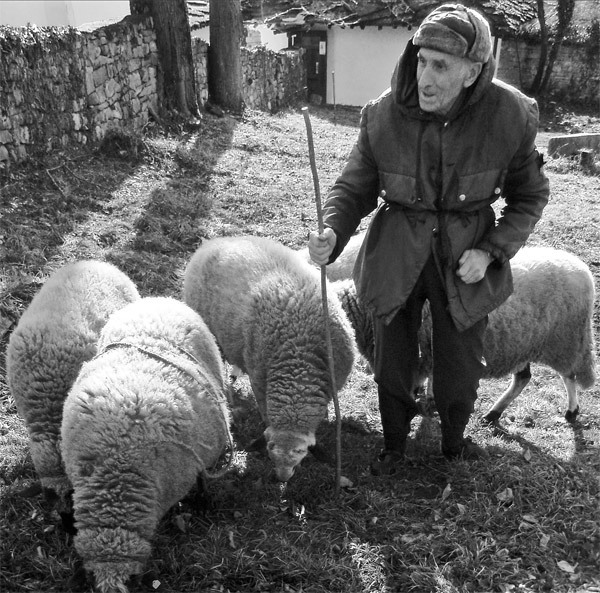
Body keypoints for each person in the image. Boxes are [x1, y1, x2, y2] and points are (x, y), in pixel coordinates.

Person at [308, 3, 549, 474]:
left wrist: (491, 251)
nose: (425, 78)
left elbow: (530, 196)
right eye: (421, 61)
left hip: (465, 253)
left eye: (441, 66)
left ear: (472, 71)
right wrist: (332, 230)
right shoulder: (383, 114)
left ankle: (454, 443)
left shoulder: (511, 115)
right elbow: (353, 187)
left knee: (461, 360)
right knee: (391, 358)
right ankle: (393, 445)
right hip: (397, 248)